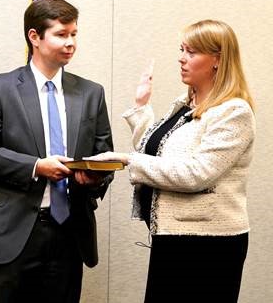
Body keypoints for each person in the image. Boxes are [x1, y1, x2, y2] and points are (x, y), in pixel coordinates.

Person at [92, 20, 255, 302]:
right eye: (182, 50)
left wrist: (127, 160)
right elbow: (159, 156)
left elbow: (196, 174)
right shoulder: (185, 104)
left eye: (191, 52)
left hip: (207, 245)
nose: (181, 58)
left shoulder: (233, 112)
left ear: (217, 60)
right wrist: (141, 108)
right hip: (173, 238)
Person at [0, 0, 114, 303]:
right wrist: (36, 166)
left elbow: (104, 156)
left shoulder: (91, 93)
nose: (71, 42)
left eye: (74, 33)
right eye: (61, 34)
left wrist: (95, 179)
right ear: (34, 36)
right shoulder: (0, 88)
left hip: (70, 234)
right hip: (13, 232)